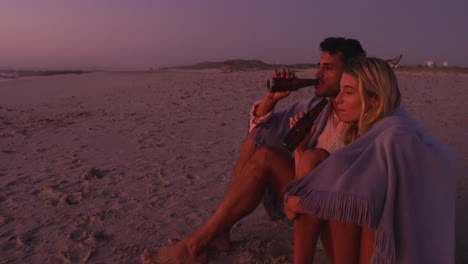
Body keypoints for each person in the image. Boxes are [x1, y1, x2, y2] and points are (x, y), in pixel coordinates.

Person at [141, 37, 367, 264]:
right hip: (301, 201)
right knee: (254, 142)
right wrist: (271, 99)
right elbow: (260, 133)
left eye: (327, 68)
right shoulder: (318, 106)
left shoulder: (366, 119)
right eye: (319, 66)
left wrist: (300, 151)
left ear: (352, 73)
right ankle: (220, 232)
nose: (318, 74)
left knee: (269, 157)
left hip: (328, 224)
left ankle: (195, 245)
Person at [284, 57, 459, 263]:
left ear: (374, 99)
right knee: (320, 160)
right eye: (340, 90)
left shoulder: (394, 136)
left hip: (405, 249)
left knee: (343, 179)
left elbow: (361, 201)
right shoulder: (377, 124)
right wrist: (300, 150)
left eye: (348, 92)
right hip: (385, 230)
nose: (337, 99)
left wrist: (299, 203)